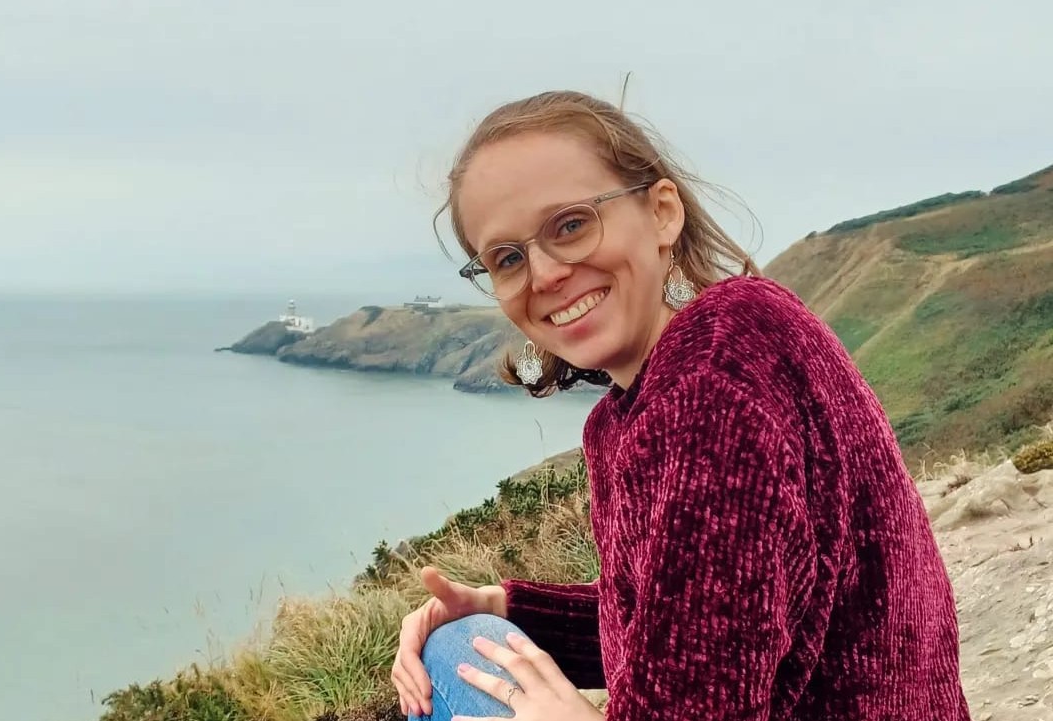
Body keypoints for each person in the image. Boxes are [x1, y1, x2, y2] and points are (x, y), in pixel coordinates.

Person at [391, 90, 971, 721]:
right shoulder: (639, 405)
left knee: (448, 663)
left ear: (662, 212)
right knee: (461, 639)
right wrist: (508, 608)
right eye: (508, 258)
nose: (545, 274)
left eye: (571, 225)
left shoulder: (715, 378)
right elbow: (701, 627)